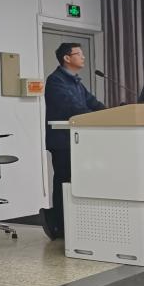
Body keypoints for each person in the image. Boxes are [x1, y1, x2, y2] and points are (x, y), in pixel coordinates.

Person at [41, 43, 105, 240]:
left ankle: (76, 223)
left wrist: (111, 112)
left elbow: (92, 102)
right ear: (67, 58)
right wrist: (96, 116)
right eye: (79, 54)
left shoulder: (76, 81)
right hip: (62, 142)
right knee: (64, 182)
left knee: (77, 182)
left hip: (78, 141)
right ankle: (60, 225)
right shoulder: (56, 81)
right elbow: (72, 107)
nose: (83, 57)